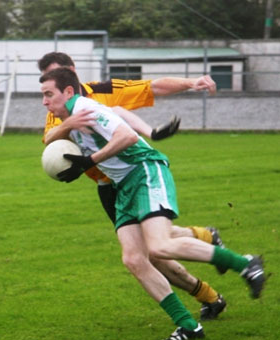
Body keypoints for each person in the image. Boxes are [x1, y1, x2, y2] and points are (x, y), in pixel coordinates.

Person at [39, 67, 265, 339]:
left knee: (160, 246)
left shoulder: (84, 107)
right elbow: (52, 137)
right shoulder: (68, 117)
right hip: (123, 186)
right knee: (134, 258)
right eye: (43, 95)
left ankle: (245, 263)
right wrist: (67, 127)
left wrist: (90, 160)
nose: (44, 102)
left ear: (68, 92)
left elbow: (128, 137)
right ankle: (189, 327)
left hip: (144, 171)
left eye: (48, 94)